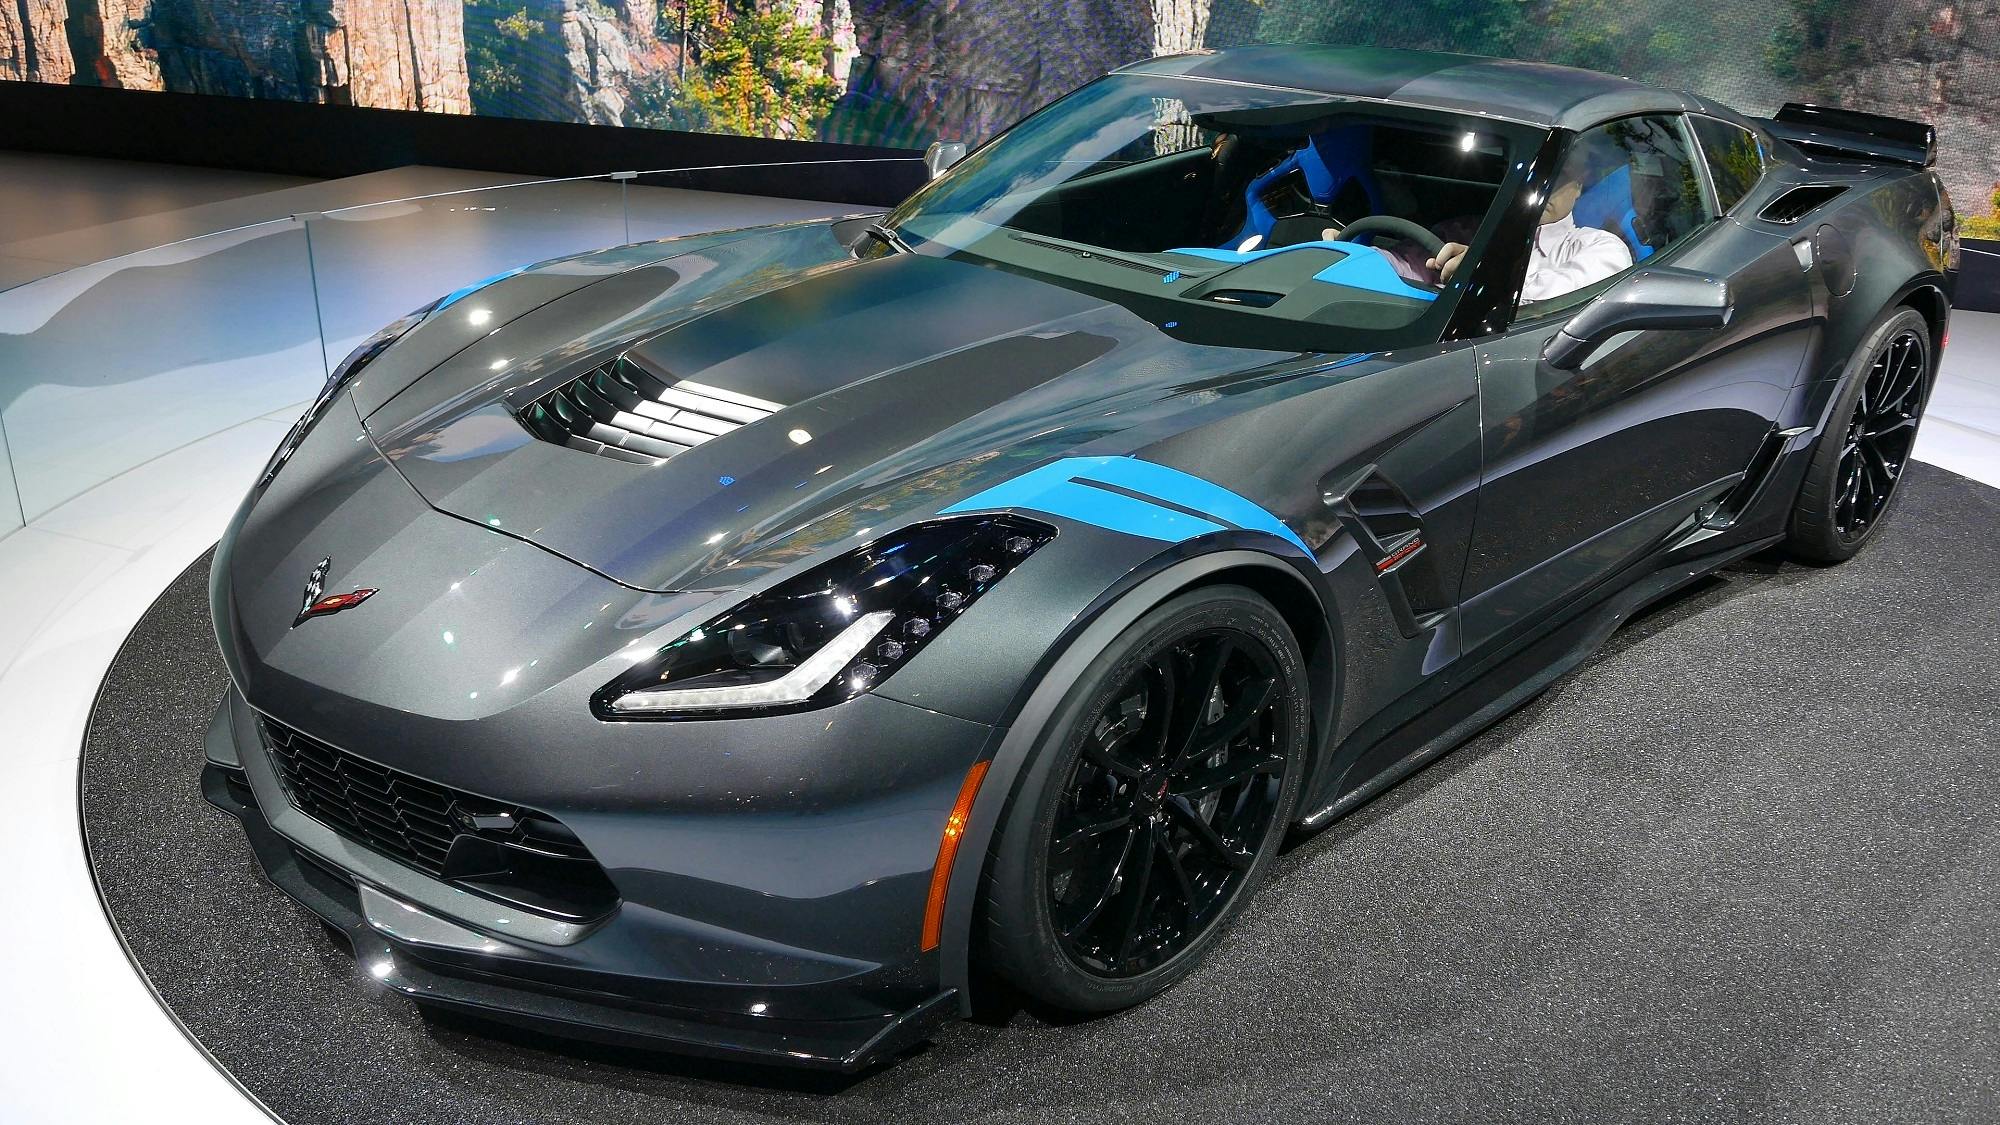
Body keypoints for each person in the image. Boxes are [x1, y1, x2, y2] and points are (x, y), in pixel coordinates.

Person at [1425, 164, 1632, 302]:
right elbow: (1401, 264)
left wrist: (1488, 271)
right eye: (1532, 177)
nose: (1542, 188)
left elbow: (1556, 302)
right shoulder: (1463, 230)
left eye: (1558, 176)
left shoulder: (1603, 248)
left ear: (1578, 186)